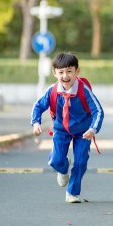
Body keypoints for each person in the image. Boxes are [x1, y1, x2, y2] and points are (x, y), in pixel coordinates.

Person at [31, 52, 104, 203]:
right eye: (61, 72)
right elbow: (38, 106)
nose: (65, 76)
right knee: (56, 161)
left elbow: (98, 111)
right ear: (54, 73)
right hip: (61, 130)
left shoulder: (84, 90)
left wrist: (92, 129)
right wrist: (36, 123)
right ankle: (63, 169)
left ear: (77, 71)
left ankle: (72, 192)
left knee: (81, 161)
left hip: (83, 132)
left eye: (69, 71)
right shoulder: (53, 91)